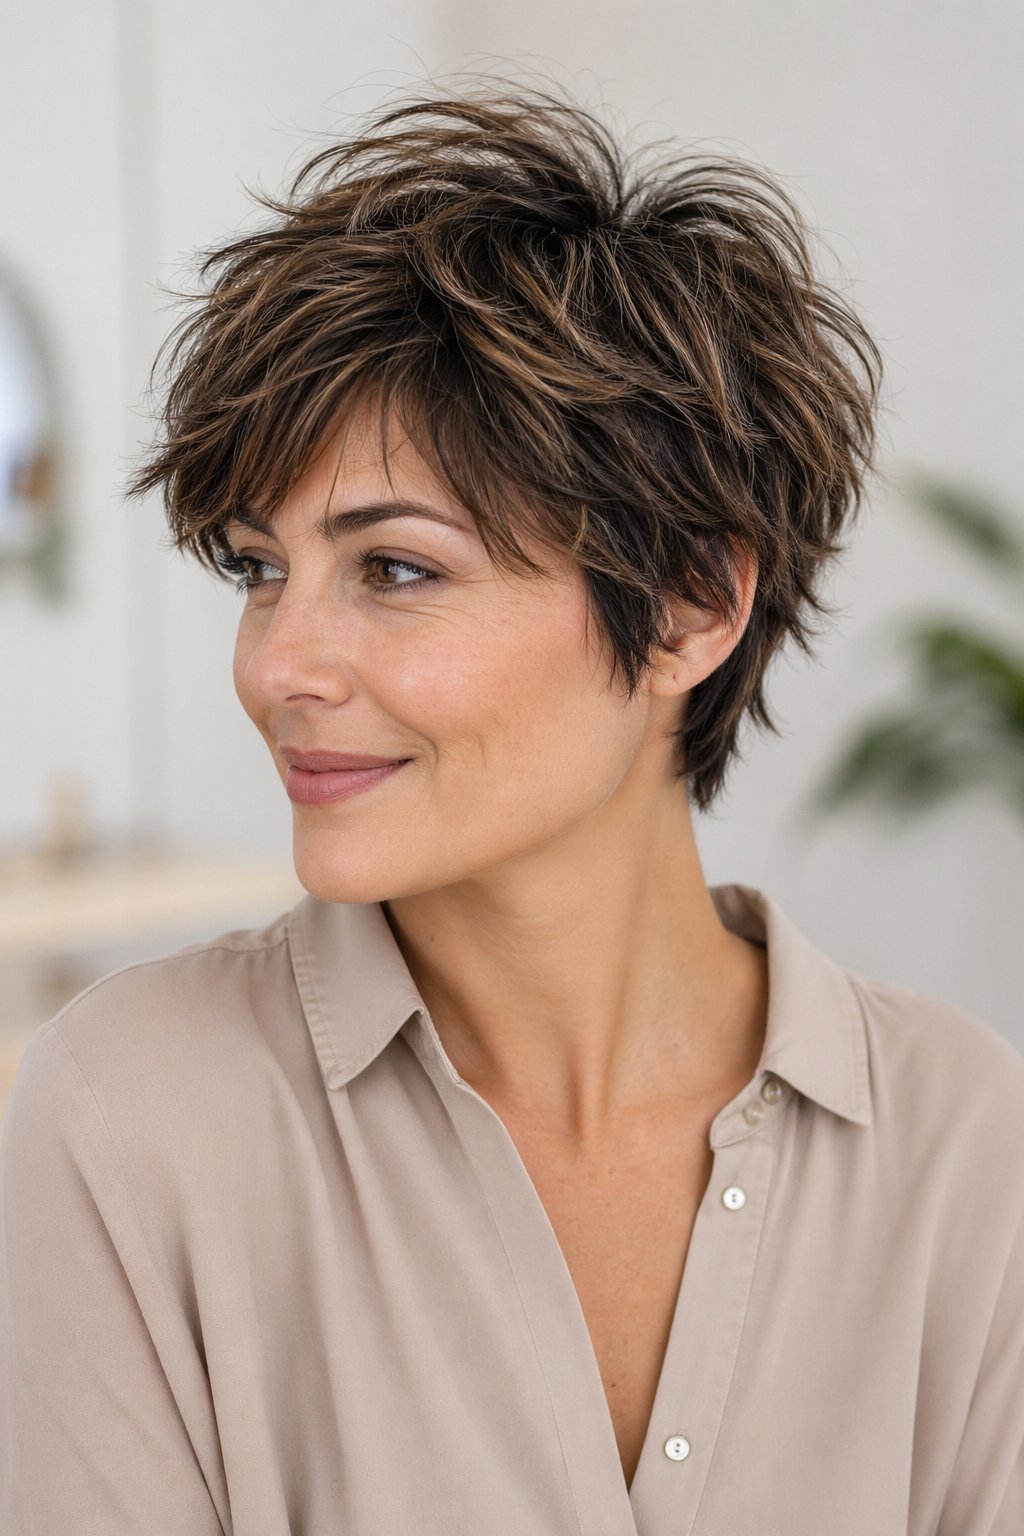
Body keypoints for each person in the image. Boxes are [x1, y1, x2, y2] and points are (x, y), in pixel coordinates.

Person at [2, 80, 1022, 1536]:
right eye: (257, 569)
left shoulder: (960, 1140)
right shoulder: (138, 1116)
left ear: (691, 603)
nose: (277, 664)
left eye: (394, 568)